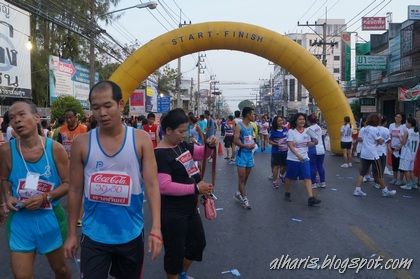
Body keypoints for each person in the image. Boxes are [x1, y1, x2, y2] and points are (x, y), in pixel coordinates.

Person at [63, 80, 162, 279]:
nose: (102, 113)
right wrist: (72, 233)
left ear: (121, 105)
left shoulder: (140, 139)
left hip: (130, 234)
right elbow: (74, 189)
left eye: (108, 105)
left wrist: (156, 228)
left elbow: (152, 185)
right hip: (93, 235)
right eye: (96, 107)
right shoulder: (81, 143)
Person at [0, 100, 71, 278]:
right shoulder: (6, 151)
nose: (16, 120)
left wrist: (45, 197)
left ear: (37, 117)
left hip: (51, 220)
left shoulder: (56, 149)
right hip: (20, 222)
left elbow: (69, 184)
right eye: (11, 118)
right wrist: (7, 198)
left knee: (61, 270)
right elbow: (4, 179)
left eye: (22, 115)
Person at [155, 108, 215, 279]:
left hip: (189, 207)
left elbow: (202, 153)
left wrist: (209, 145)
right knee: (174, 253)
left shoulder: (181, 145)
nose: (184, 135)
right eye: (181, 131)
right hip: (172, 213)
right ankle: (175, 274)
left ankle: (181, 274)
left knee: (198, 243)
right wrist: (195, 189)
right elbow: (164, 186)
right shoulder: (160, 154)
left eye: (186, 130)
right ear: (168, 131)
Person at [353, 114, 396, 197]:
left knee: (362, 173)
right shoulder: (375, 129)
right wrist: (382, 140)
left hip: (364, 153)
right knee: (380, 173)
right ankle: (385, 191)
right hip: (373, 154)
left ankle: (357, 189)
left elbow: (361, 139)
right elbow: (380, 141)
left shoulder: (365, 128)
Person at [284, 113, 321, 206]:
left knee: (307, 177)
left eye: (303, 119)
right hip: (293, 159)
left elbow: (308, 144)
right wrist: (297, 155)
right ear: (295, 121)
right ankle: (287, 192)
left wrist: (315, 143)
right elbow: (290, 145)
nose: (302, 121)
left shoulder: (308, 131)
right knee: (290, 177)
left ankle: (311, 198)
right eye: (300, 119)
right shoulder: (291, 131)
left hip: (305, 158)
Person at [234, 107, 256, 209]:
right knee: (241, 178)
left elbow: (251, 139)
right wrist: (244, 146)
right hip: (241, 154)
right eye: (252, 114)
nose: (254, 116)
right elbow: (235, 140)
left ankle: (238, 193)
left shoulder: (251, 126)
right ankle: (245, 200)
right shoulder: (239, 126)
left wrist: (253, 143)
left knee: (245, 179)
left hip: (249, 155)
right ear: (248, 115)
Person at [399, 117, 419, 190]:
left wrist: (400, 137)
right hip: (415, 153)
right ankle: (413, 183)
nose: (405, 124)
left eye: (406, 122)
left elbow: (403, 143)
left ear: (410, 123)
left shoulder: (407, 131)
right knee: (411, 169)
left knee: (406, 169)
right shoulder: (417, 131)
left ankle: (408, 184)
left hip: (407, 152)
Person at [268, 116, 288, 188]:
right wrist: (277, 144)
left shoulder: (285, 129)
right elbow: (269, 141)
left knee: (285, 166)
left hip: (285, 151)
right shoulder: (272, 131)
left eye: (281, 120)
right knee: (276, 166)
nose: (281, 122)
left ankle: (281, 175)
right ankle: (275, 181)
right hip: (276, 151)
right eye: (279, 121)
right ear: (276, 122)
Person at [307, 114, 326, 188]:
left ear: (308, 121)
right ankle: (323, 182)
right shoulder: (319, 127)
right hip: (321, 149)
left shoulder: (309, 129)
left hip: (313, 149)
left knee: (312, 166)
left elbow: (308, 140)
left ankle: (313, 183)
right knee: (320, 166)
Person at [389, 113, 407, 186]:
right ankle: (394, 178)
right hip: (393, 147)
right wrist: (389, 146)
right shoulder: (391, 125)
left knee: (401, 164)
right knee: (394, 164)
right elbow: (389, 136)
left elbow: (405, 138)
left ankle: (400, 180)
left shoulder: (404, 127)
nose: (397, 118)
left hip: (401, 148)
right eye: (396, 116)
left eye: (399, 117)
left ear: (402, 118)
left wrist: (399, 146)